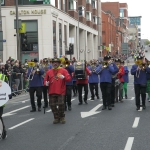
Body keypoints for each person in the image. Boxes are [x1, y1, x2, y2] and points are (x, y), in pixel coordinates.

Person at [44, 58, 71, 124]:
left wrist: (64, 77)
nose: (55, 63)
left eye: (56, 62)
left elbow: (69, 79)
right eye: (53, 62)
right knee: (52, 105)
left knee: (61, 104)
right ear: (52, 63)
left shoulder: (63, 70)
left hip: (61, 91)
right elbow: (45, 80)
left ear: (59, 63)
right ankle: (56, 117)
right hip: (51, 91)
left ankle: (62, 117)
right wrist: (45, 83)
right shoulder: (49, 72)